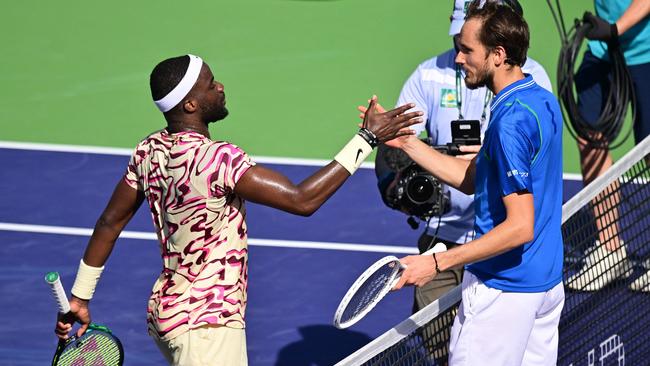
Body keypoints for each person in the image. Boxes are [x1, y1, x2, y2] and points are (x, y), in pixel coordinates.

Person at [54, 54, 422, 365]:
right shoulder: (218, 160)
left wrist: (80, 297)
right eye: (210, 84)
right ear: (190, 105)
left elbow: (109, 222)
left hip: (168, 315)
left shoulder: (148, 150)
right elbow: (302, 199)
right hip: (207, 325)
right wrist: (367, 139)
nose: (220, 87)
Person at [391, 1, 565, 365]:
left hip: (503, 291)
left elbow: (519, 227)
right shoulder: (540, 101)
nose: (458, 58)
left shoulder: (509, 124)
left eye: (467, 50)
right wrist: (407, 142)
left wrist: (437, 264)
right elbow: (472, 180)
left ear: (498, 54)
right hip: (545, 284)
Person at [568, 0, 650, 292]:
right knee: (589, 137)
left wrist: (616, 29)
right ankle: (611, 250)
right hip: (603, 49)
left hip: (645, 51)